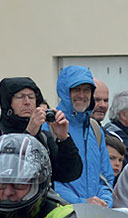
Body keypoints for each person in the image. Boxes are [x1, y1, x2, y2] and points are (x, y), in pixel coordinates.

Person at [0, 77, 82, 184]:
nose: (27, 102)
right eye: (20, 97)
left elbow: (69, 174)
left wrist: (64, 139)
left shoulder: (44, 138)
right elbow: (8, 173)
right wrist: (29, 135)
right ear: (8, 102)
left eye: (31, 97)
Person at [53, 66, 113, 207]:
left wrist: (105, 203)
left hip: (94, 215)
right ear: (65, 91)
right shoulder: (49, 127)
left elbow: (105, 176)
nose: (82, 95)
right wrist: (81, 203)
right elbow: (48, 180)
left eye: (86, 90)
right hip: (61, 215)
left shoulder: (94, 128)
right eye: (76, 89)